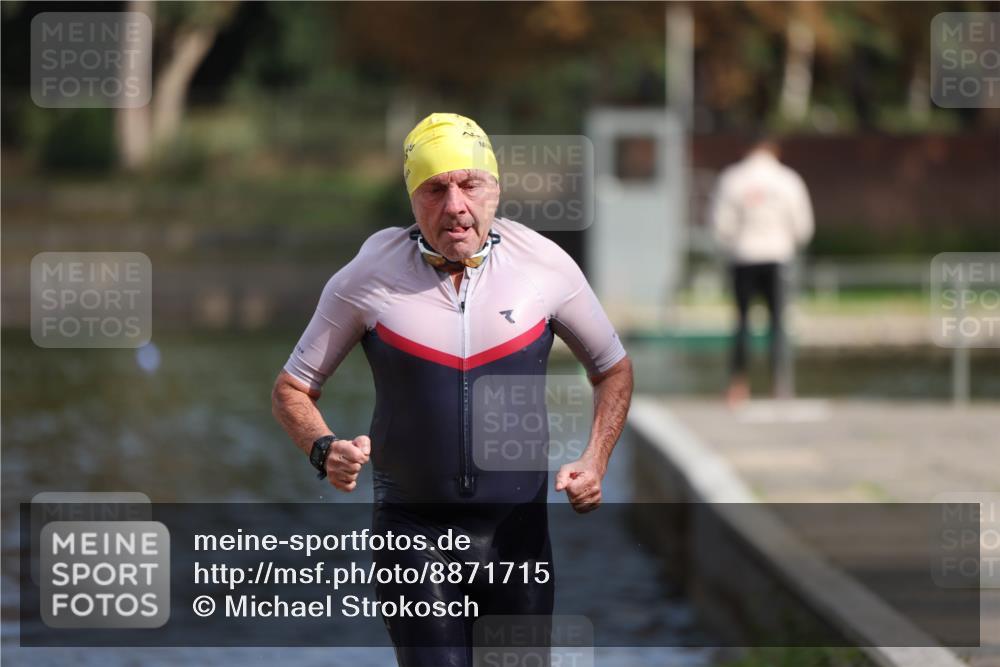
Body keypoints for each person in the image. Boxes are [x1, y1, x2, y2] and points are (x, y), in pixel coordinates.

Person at [271, 113, 633, 667]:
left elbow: (612, 369)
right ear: (413, 198)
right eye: (435, 189)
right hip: (414, 537)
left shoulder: (545, 266)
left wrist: (596, 459)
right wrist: (324, 448)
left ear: (496, 190)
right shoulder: (369, 276)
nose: (455, 206)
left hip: (518, 540)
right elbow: (292, 389)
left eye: (470, 185)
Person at [709, 138, 814, 406]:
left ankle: (737, 386)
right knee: (778, 324)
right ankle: (780, 386)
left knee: (742, 323)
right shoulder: (788, 179)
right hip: (778, 257)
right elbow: (803, 226)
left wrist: (737, 244)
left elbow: (721, 226)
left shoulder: (732, 178)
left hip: (743, 258)